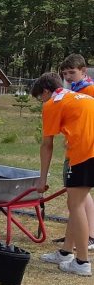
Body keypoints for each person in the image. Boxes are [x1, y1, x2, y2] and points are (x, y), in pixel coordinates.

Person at [32, 71, 94, 276]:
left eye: (41, 97)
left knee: (75, 206)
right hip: (88, 153)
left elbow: (47, 145)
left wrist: (42, 179)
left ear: (46, 91)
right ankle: (66, 251)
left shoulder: (53, 103)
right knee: (77, 203)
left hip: (83, 156)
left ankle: (82, 262)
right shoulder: (82, 97)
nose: (42, 101)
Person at [56, 53, 94, 248]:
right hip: (76, 147)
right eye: (65, 73)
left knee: (78, 195)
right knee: (81, 194)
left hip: (86, 150)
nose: (68, 77)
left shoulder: (89, 90)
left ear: (83, 71)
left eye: (72, 72)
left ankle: (89, 235)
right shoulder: (74, 90)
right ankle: (84, 233)